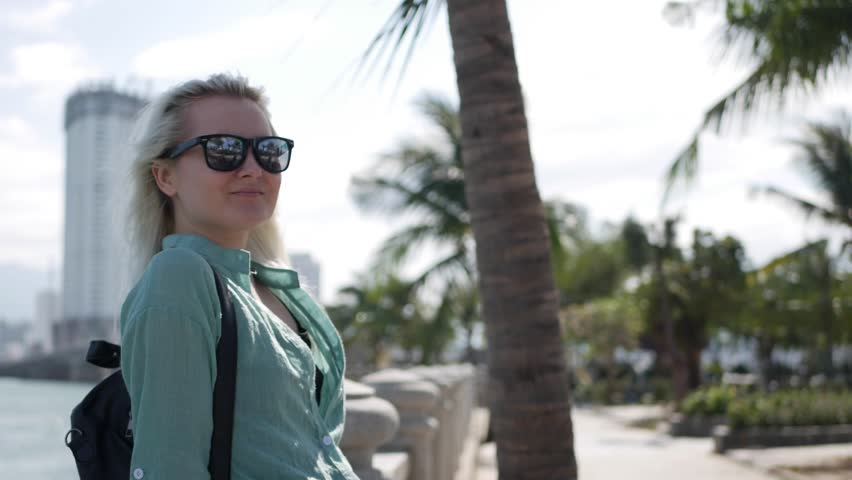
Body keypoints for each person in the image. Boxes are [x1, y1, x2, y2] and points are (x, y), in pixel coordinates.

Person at [121, 73, 359, 479]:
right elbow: (168, 468)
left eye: (267, 151)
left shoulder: (278, 290)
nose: (252, 169)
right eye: (224, 150)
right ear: (165, 176)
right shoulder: (179, 279)